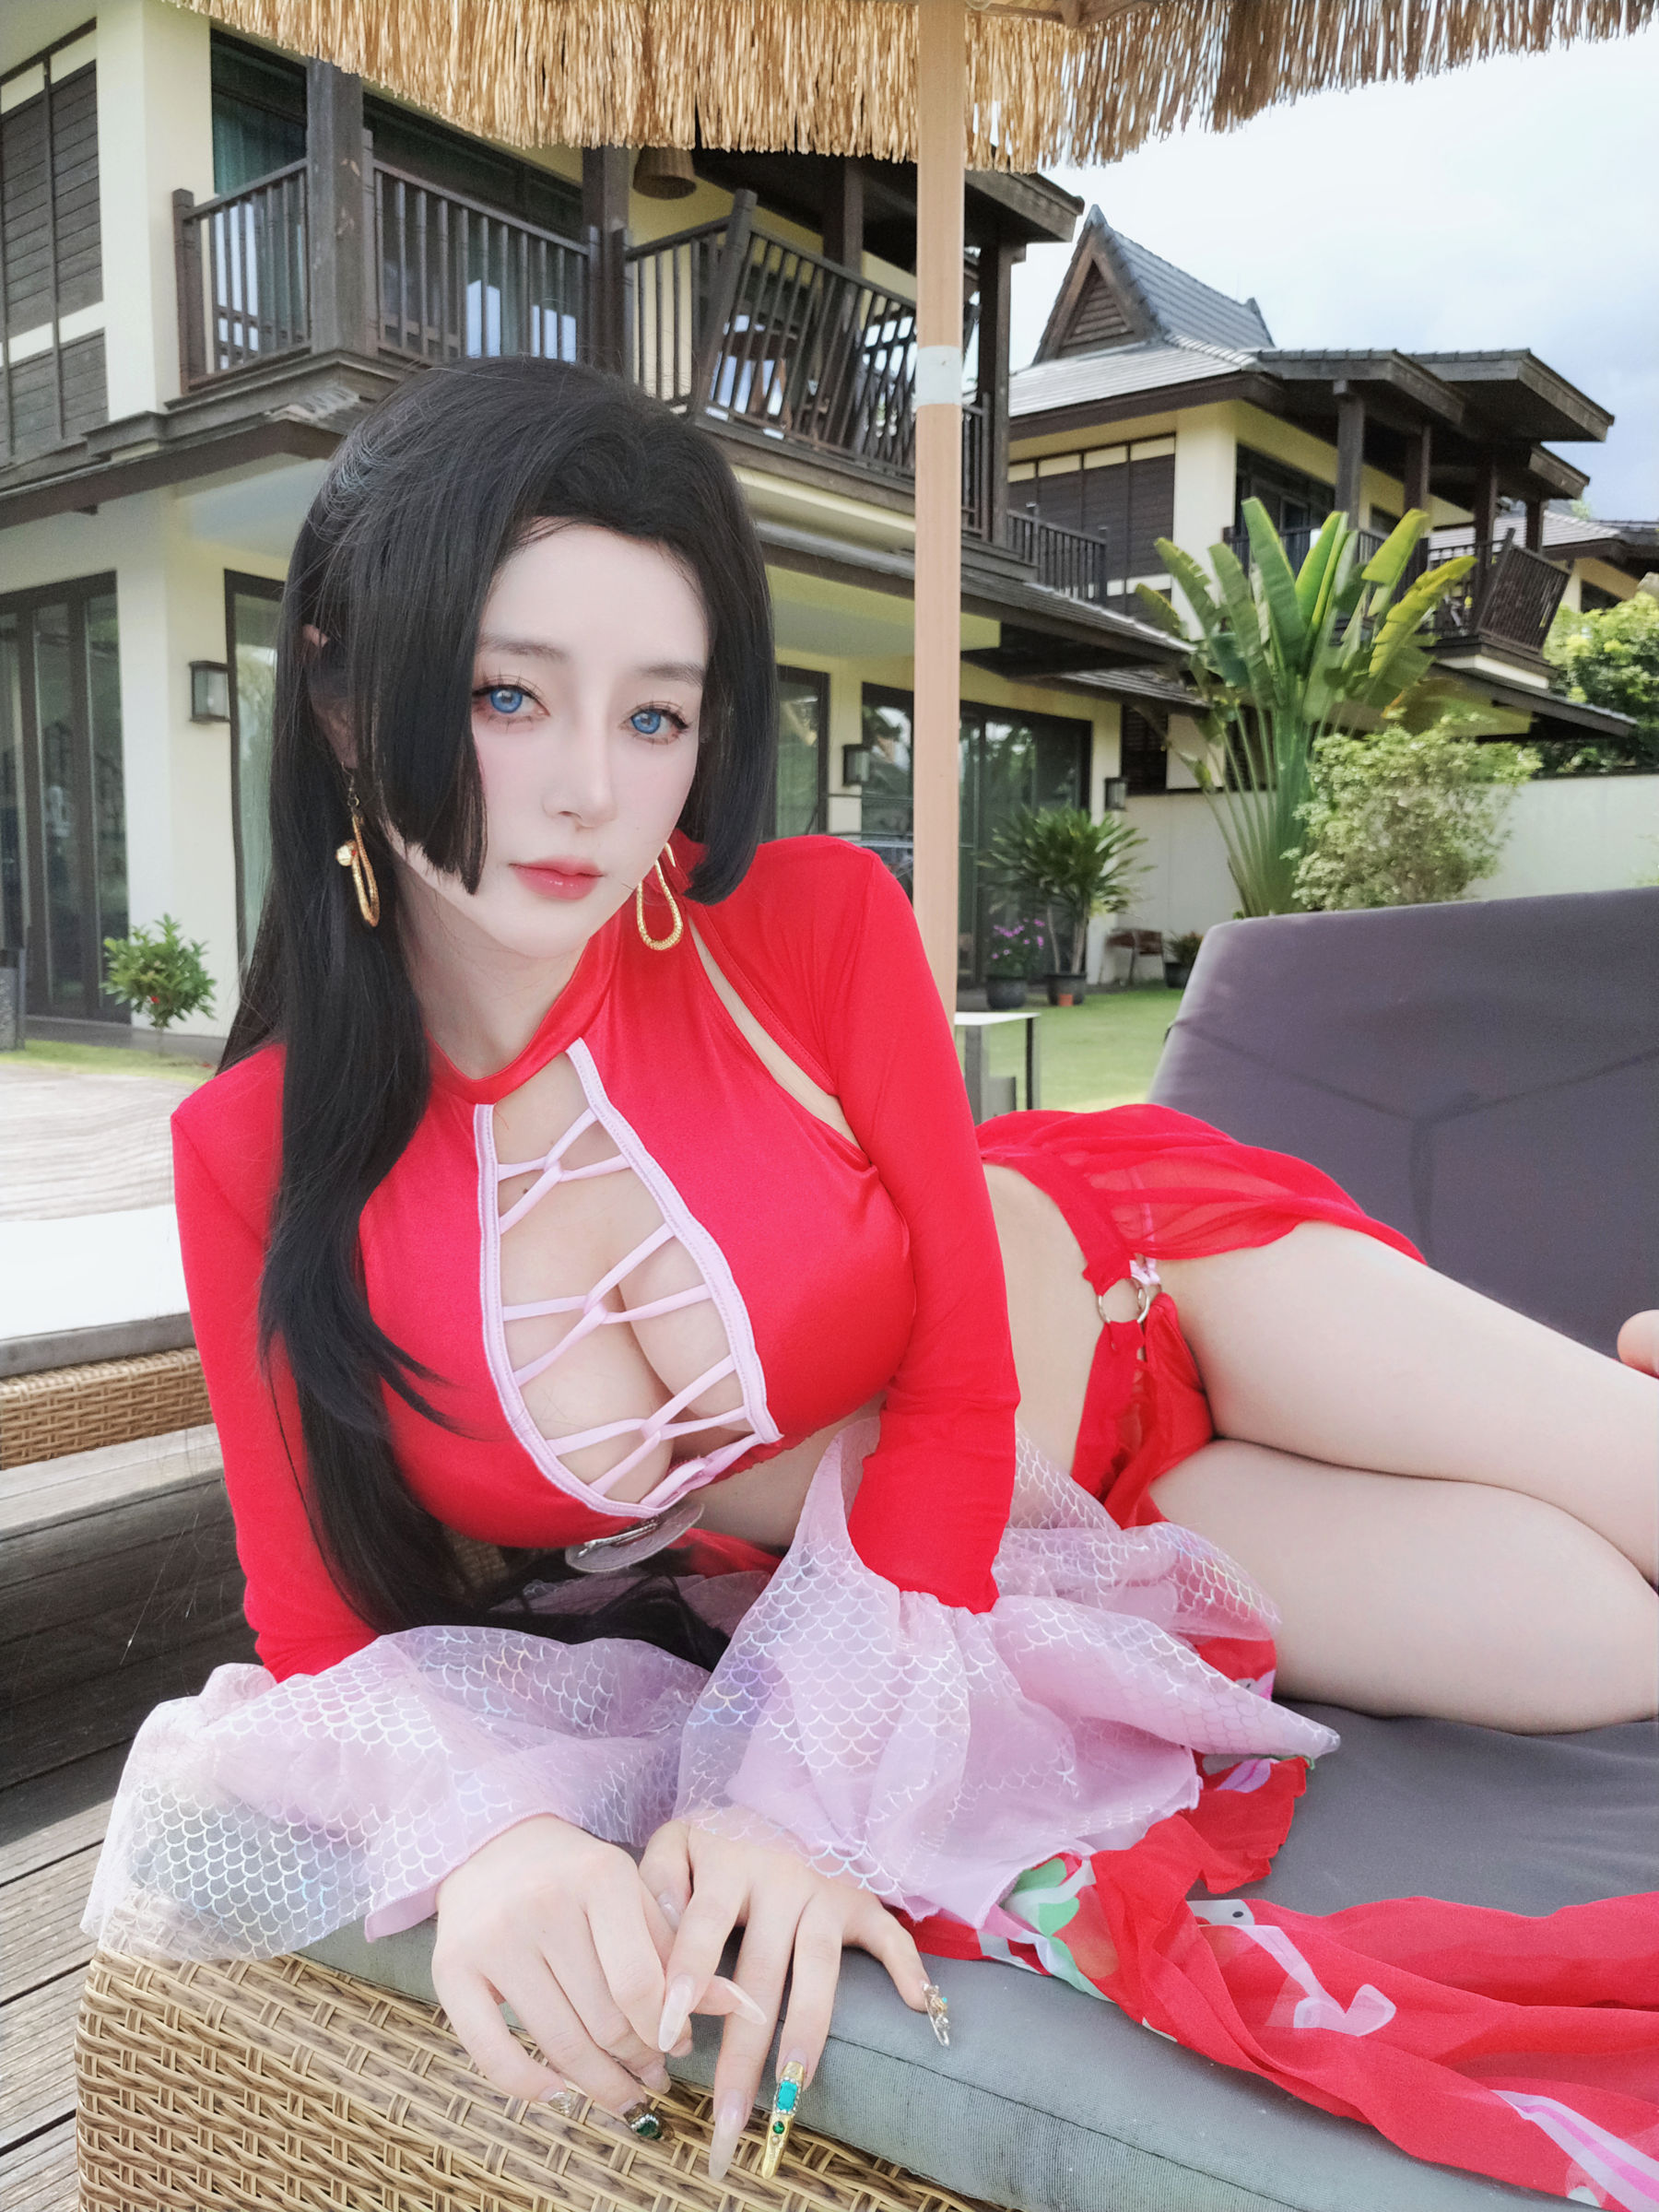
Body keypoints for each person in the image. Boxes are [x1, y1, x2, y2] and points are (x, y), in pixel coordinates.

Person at [87, 359, 1659, 2204]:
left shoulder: (806, 926)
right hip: (1088, 1541)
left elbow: (963, 1392)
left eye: (656, 715)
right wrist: (491, 1836)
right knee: (1606, 1649)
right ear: (344, 694)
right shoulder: (257, 1154)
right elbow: (315, 1633)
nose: (589, 790)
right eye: (510, 695)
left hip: (1160, 1290)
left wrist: (799, 1799)